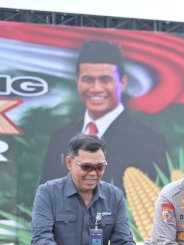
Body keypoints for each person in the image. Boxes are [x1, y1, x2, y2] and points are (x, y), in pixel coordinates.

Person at [41, 40, 168, 187]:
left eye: (105, 80)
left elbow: (155, 202)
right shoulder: (60, 137)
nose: (96, 88)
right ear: (77, 82)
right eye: (88, 79)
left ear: (123, 82)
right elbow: (45, 199)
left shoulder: (149, 141)